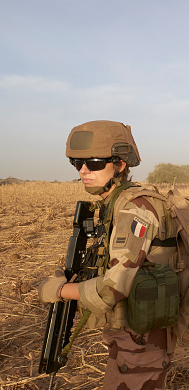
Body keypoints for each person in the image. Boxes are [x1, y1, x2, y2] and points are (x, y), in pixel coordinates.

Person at [38, 120, 176, 389]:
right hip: (131, 329)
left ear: (120, 165)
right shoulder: (113, 203)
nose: (84, 171)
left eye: (94, 162)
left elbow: (112, 289)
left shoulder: (134, 208)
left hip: (142, 337)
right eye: (77, 164)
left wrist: (59, 290)